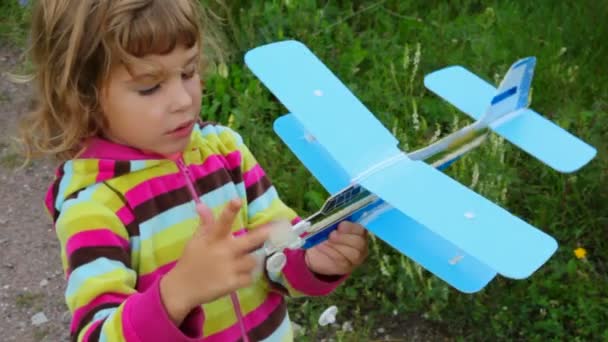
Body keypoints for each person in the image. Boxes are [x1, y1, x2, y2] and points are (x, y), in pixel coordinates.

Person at [19, 0, 369, 341]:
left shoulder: (226, 151)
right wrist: (177, 293)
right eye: (149, 86)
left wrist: (313, 261)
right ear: (83, 94)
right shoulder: (93, 205)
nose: (184, 100)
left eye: (188, 72)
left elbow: (277, 255)